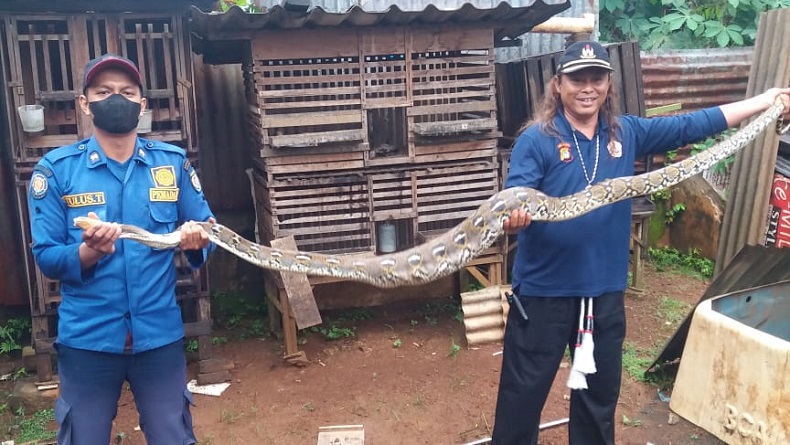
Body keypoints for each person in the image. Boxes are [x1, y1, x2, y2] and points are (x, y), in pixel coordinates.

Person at [492, 40, 790, 445]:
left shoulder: (625, 133)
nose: (587, 87)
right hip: (545, 295)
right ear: (558, 84)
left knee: (598, 405)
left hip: (603, 297)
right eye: (577, 78)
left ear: (608, 84)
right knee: (520, 403)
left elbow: (693, 125)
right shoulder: (537, 140)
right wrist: (514, 220)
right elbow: (514, 203)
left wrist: (762, 101)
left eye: (596, 78)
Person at [28, 54, 216, 445]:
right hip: (88, 341)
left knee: (173, 437)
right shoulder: (56, 170)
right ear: (85, 103)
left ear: (142, 105)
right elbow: (46, 255)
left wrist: (199, 241)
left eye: (127, 92)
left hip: (158, 337)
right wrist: (89, 253)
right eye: (104, 91)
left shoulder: (173, 164)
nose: (117, 98)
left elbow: (207, 233)